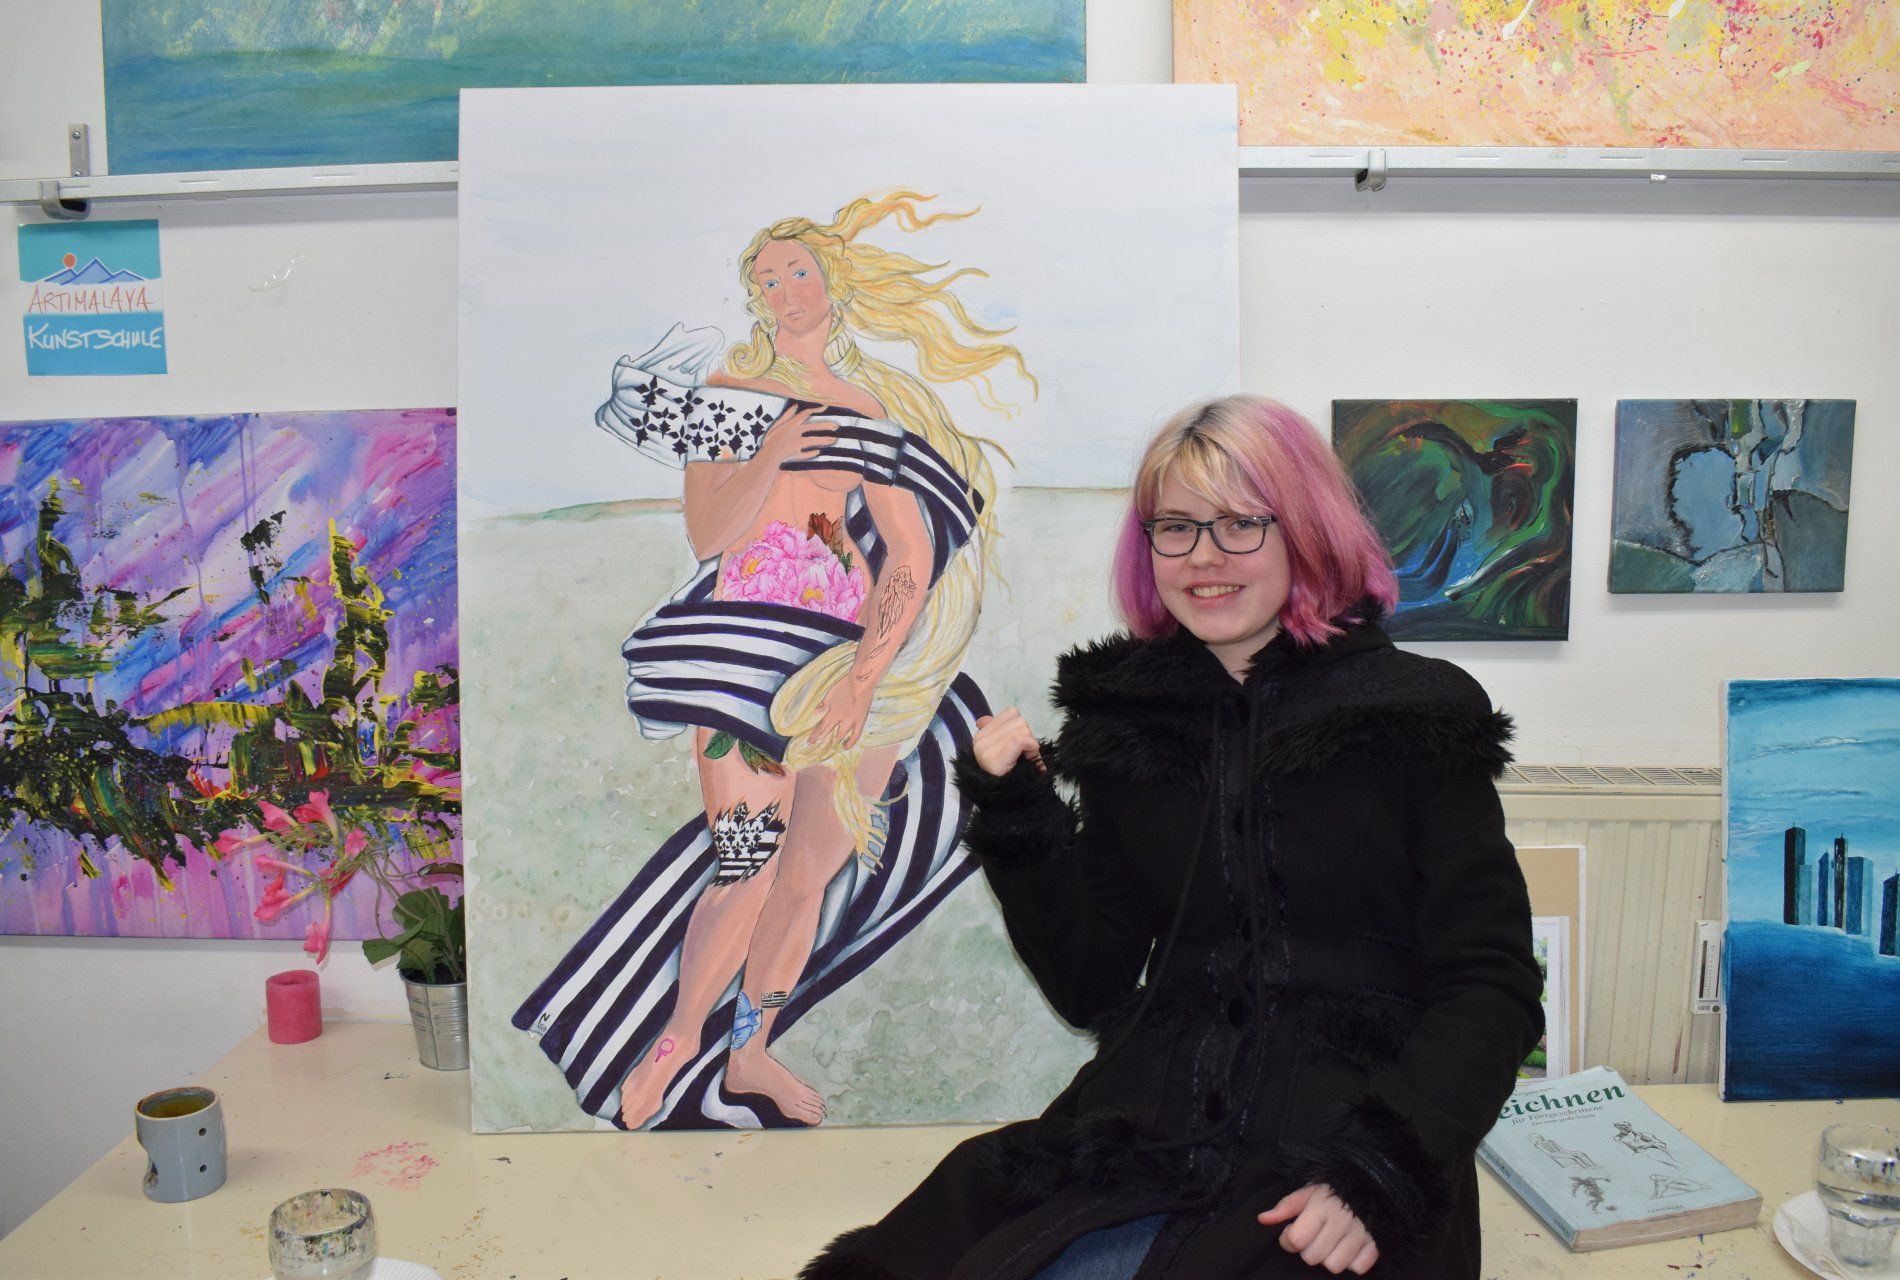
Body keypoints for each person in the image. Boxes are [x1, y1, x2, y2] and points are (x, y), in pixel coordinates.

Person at [803, 395, 1544, 1278]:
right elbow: (1092, 985)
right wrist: (1021, 817)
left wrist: (1377, 1176)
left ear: (1307, 530)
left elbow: (1492, 985)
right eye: (1177, 528)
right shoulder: (1131, 720)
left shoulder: (1415, 712)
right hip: (1150, 1130)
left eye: (1240, 524)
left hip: (1348, 1153)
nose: (1203, 557)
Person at [512, 191, 1033, 1130]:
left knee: (807, 877)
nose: (785, 289)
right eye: (767, 279)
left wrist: (865, 679)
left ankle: (749, 1054)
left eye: (798, 271)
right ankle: (676, 1043)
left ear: (832, 282)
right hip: (745, 657)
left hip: (848, 663)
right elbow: (710, 535)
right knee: (744, 863)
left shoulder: (869, 407)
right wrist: (773, 451)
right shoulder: (730, 395)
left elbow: (909, 556)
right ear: (754, 298)